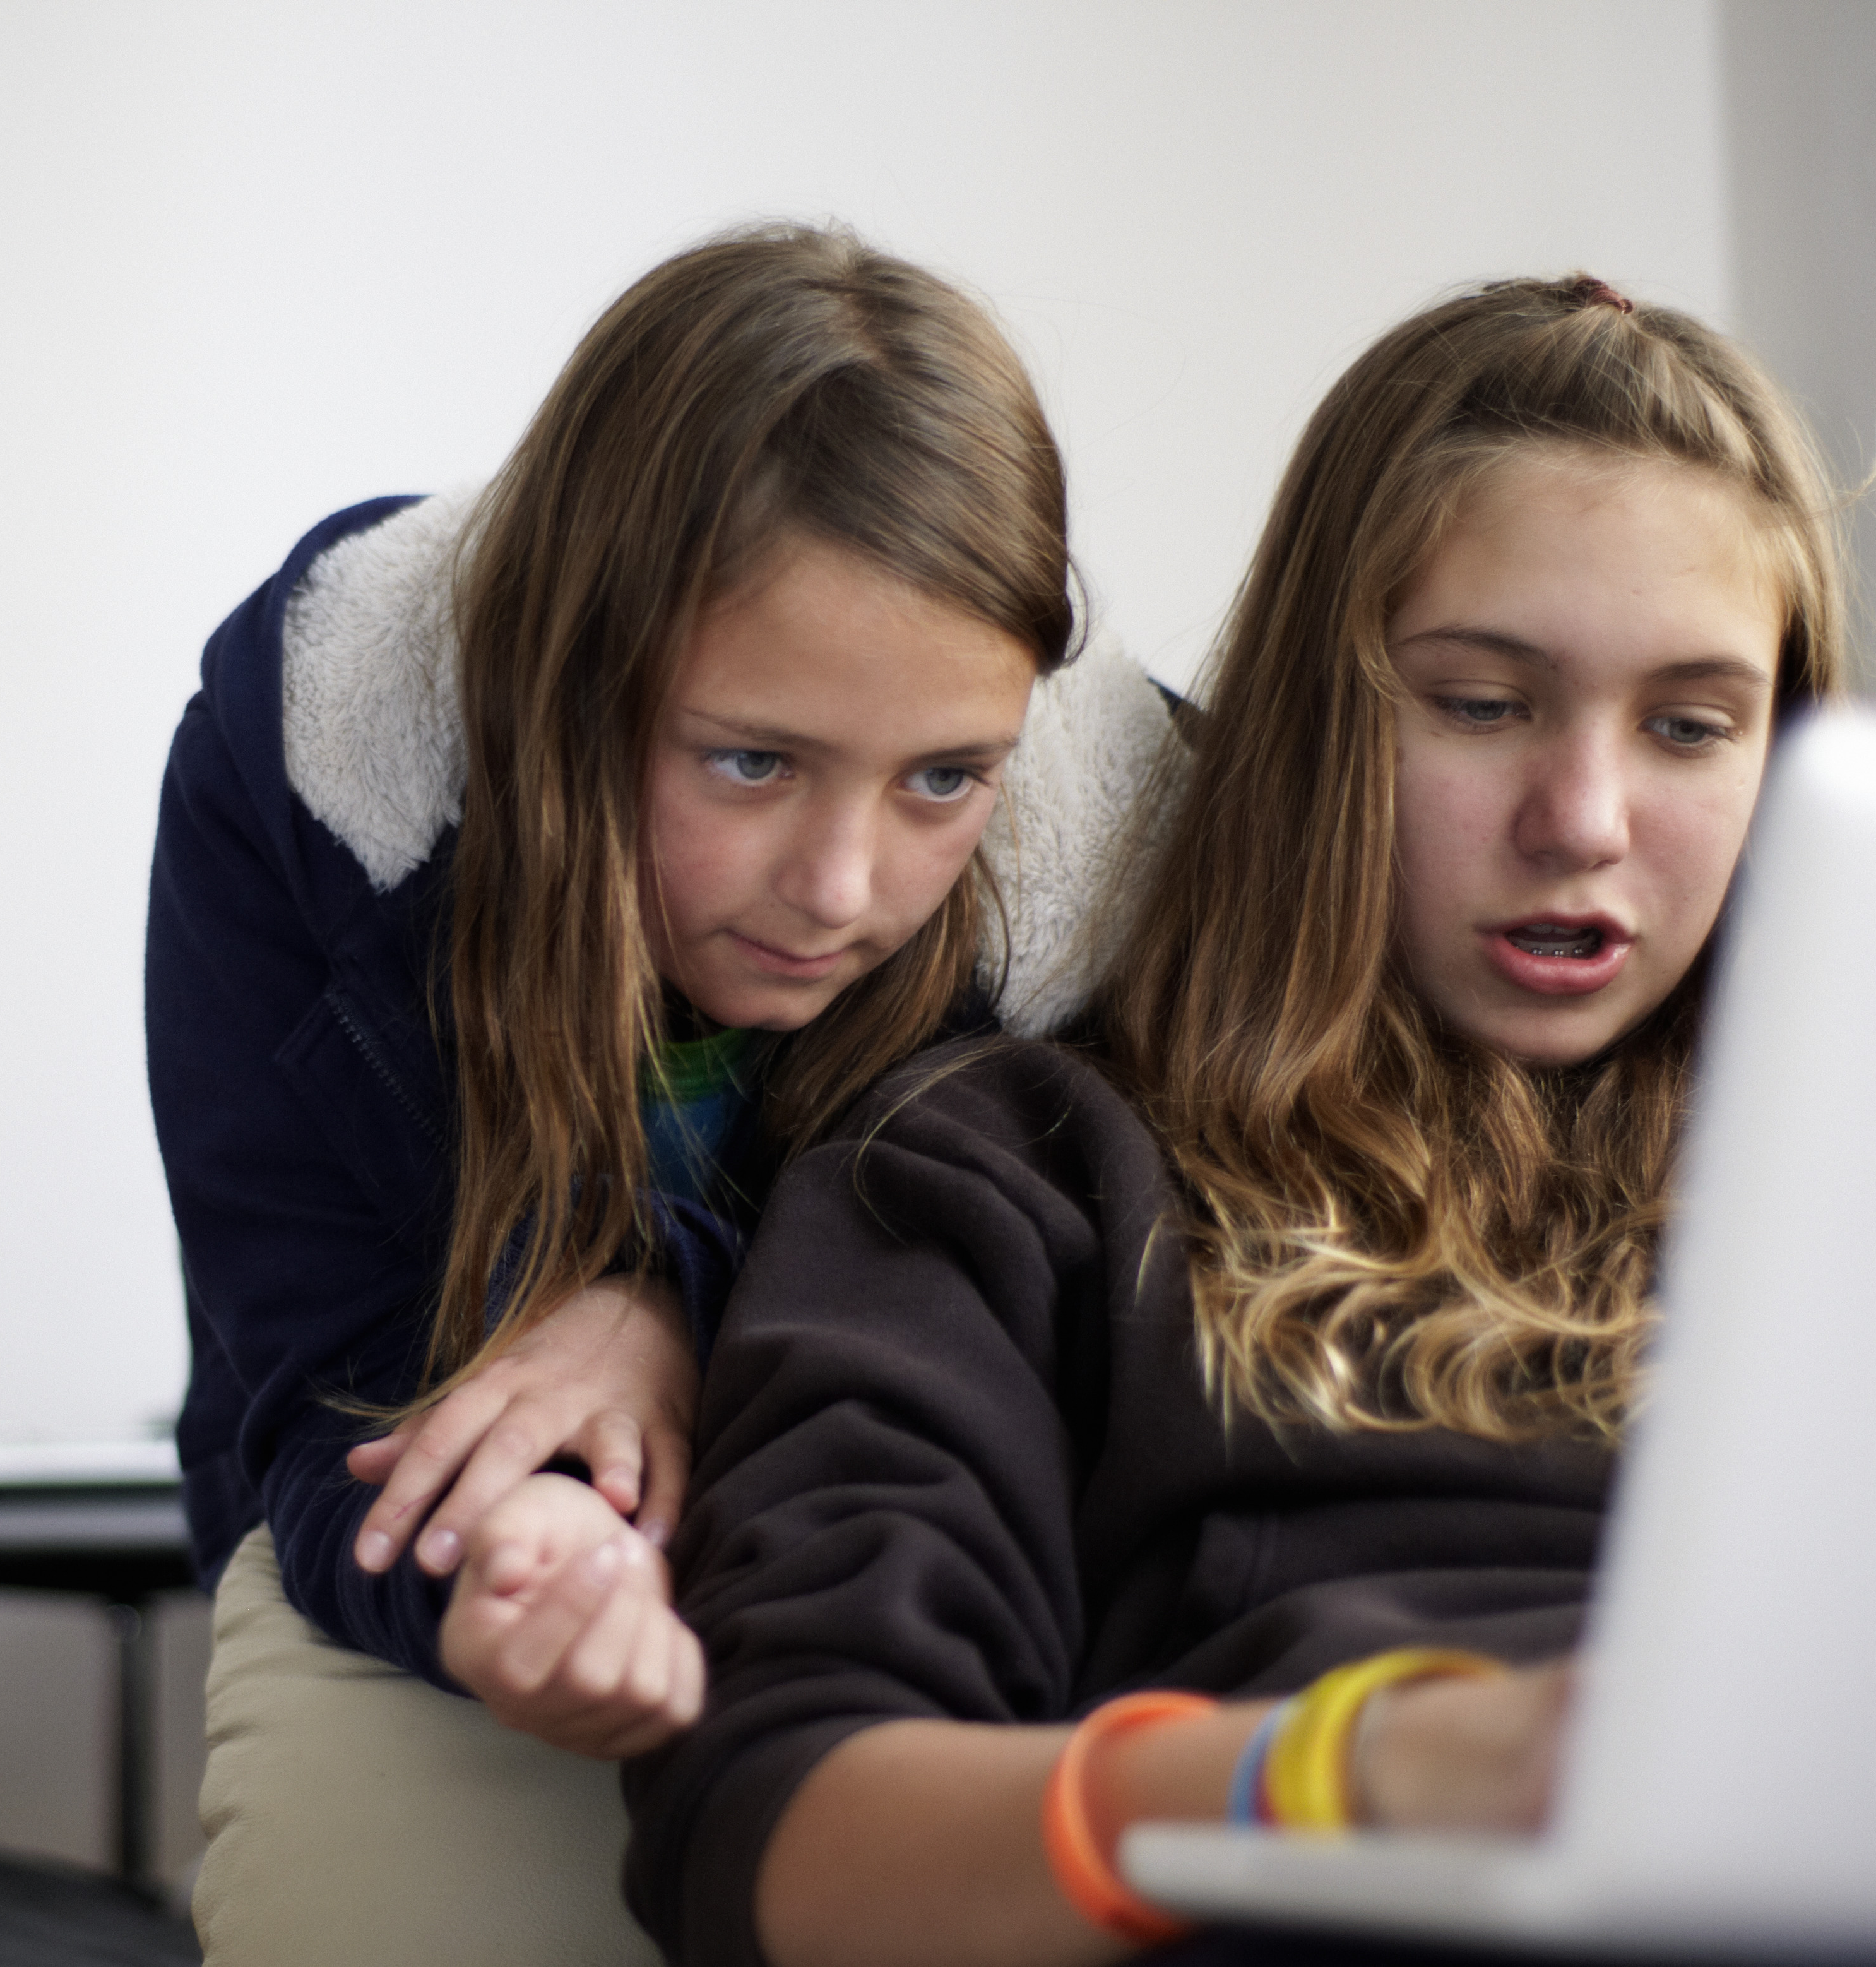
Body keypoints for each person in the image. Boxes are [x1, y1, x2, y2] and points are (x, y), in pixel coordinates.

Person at [616, 275, 1856, 1967]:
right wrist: (1370, 1770)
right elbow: (777, 1846)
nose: (1583, 819)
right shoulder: (1009, 1174)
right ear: (1314, 716)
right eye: (1481, 704)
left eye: (1692, 727)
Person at [143, 224, 1180, 1963]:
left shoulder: (1117, 890)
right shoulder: (312, 792)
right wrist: (507, 1555)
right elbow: (310, 1372)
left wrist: (684, 1312)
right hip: (422, 1573)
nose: (844, 886)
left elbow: (1072, 1398)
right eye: (751, 759)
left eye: (946, 777)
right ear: (573, 679)